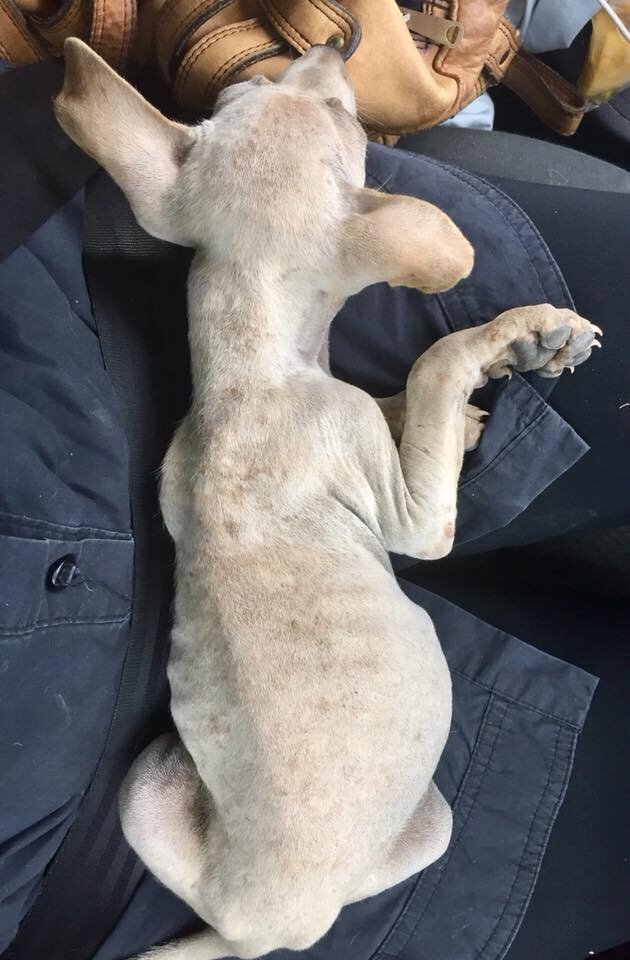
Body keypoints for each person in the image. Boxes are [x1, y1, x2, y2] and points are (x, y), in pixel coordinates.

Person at [1, 58, 628, 960]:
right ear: (369, 236)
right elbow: (421, 528)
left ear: (164, 186)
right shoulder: (276, 426)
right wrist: (451, 364)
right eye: (343, 117)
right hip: (101, 854)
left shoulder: (199, 451)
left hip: (369, 831)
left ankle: (257, 916)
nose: (318, 70)